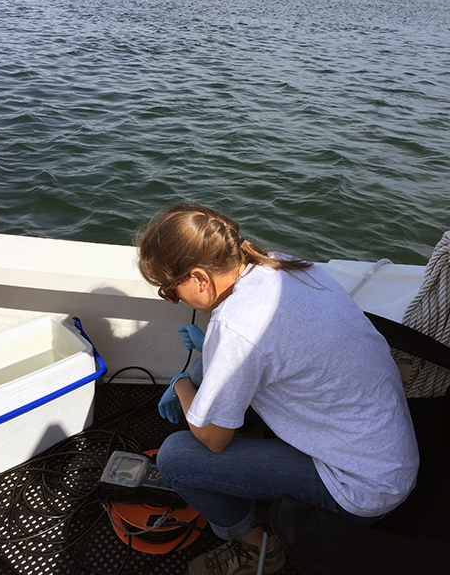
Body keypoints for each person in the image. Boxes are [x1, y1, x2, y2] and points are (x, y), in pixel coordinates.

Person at [135, 203, 419, 575]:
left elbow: (213, 439)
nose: (175, 300)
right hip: (390, 456)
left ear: (200, 278)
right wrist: (209, 350)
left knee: (176, 457)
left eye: (171, 293)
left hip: (361, 489)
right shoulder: (284, 265)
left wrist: (181, 384)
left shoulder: (236, 325)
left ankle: (256, 548)